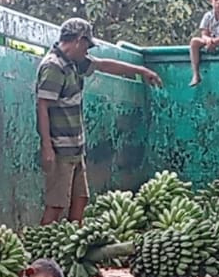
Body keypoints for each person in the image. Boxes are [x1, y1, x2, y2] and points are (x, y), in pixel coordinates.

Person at [37, 18, 164, 225]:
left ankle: (71, 244)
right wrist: (47, 147)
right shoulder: (54, 66)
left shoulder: (75, 63)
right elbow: (43, 106)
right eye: (87, 45)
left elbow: (104, 65)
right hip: (60, 148)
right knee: (56, 204)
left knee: (80, 198)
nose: (88, 51)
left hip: (76, 148)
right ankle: (40, 253)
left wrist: (141, 71)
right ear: (79, 40)